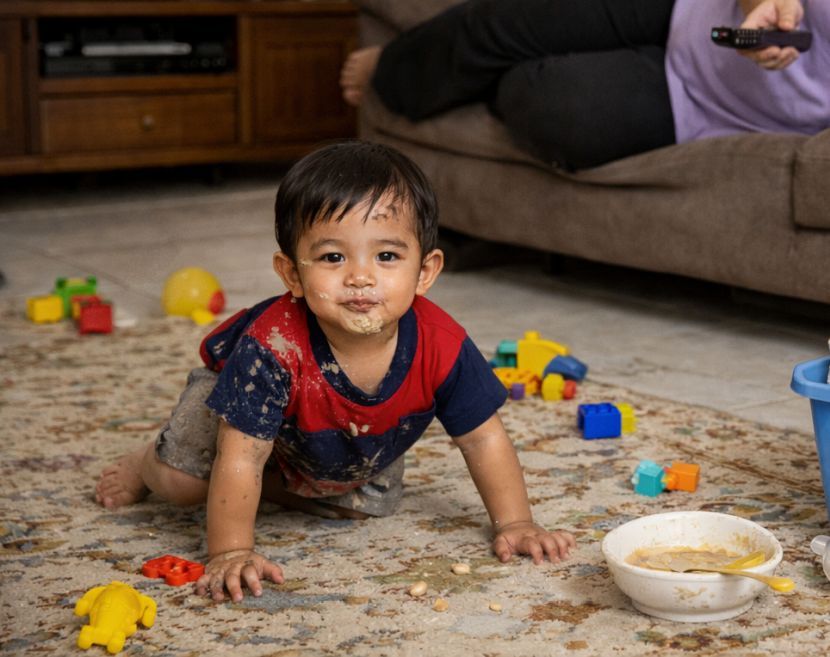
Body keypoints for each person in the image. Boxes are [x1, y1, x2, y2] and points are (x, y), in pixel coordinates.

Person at [95, 140, 576, 603]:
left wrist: (516, 523)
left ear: (425, 272)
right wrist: (232, 551)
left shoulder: (442, 343)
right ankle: (146, 461)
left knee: (368, 505)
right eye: (332, 257)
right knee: (182, 483)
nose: (360, 277)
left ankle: (278, 486)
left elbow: (483, 439)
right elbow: (241, 456)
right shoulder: (271, 348)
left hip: (334, 440)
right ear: (292, 274)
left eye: (386, 256)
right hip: (241, 415)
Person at [340, 0, 828, 170]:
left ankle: (486, 75)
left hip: (708, 106)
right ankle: (394, 67)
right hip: (687, 8)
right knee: (518, 17)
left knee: (542, 99)